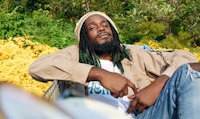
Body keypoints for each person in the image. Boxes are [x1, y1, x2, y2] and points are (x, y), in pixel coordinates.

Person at [29, 11, 200, 119]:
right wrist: (99, 74)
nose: (101, 29)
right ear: (84, 38)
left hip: (143, 116)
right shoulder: (75, 54)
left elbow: (186, 57)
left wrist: (158, 84)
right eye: (93, 27)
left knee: (190, 72)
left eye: (105, 25)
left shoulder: (131, 54)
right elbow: (37, 68)